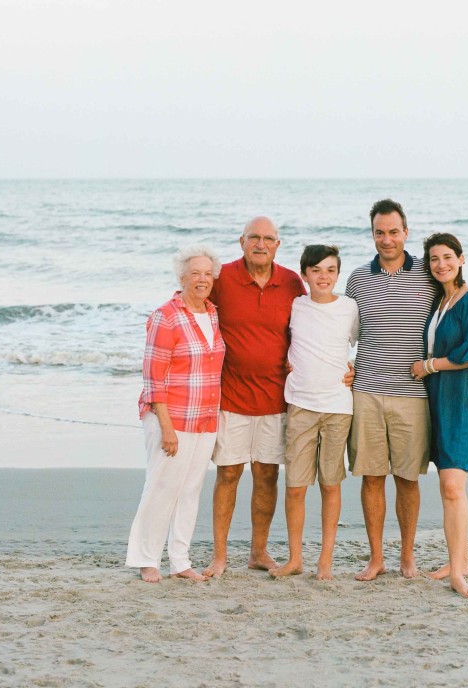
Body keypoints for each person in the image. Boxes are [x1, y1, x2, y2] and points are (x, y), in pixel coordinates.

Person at [202, 217, 306, 577]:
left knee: (266, 476)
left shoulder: (292, 282)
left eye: (268, 238)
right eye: (254, 238)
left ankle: (258, 552)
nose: (260, 244)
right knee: (228, 474)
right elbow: (192, 306)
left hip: (276, 398)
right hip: (231, 396)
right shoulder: (223, 278)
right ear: (241, 241)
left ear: (278, 244)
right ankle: (219, 556)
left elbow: (310, 326)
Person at [343, 199, 435, 581]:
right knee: (371, 476)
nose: (387, 239)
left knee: (407, 478)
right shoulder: (357, 279)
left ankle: (407, 557)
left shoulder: (429, 277)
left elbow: (459, 307)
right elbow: (343, 333)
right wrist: (341, 367)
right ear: (373, 234)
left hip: (413, 395)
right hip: (365, 391)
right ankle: (377, 557)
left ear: (406, 232)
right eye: (380, 232)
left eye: (393, 232)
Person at [125, 245, 225, 583]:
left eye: (207, 274)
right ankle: (146, 558)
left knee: (190, 490)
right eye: (194, 273)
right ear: (181, 278)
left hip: (205, 418)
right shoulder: (165, 315)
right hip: (171, 419)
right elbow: (153, 377)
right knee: (161, 488)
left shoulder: (212, 313)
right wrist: (166, 428)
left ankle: (180, 560)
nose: (202, 279)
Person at [270, 245, 358, 581]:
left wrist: (354, 369)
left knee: (330, 484)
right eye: (317, 270)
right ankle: (295, 559)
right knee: (295, 486)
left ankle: (325, 560)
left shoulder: (349, 307)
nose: (324, 276)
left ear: (338, 274)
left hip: (337, 406)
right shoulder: (295, 305)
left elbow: (358, 343)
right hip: (301, 406)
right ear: (304, 274)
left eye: (331, 270)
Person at [410, 232, 468, 598]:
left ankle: (458, 572)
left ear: (461, 259)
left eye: (447, 257)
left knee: (452, 487)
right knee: (448, 488)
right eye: (433, 259)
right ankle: (461, 559)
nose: (440, 264)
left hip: (464, 402)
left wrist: (428, 366)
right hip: (437, 401)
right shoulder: (438, 302)